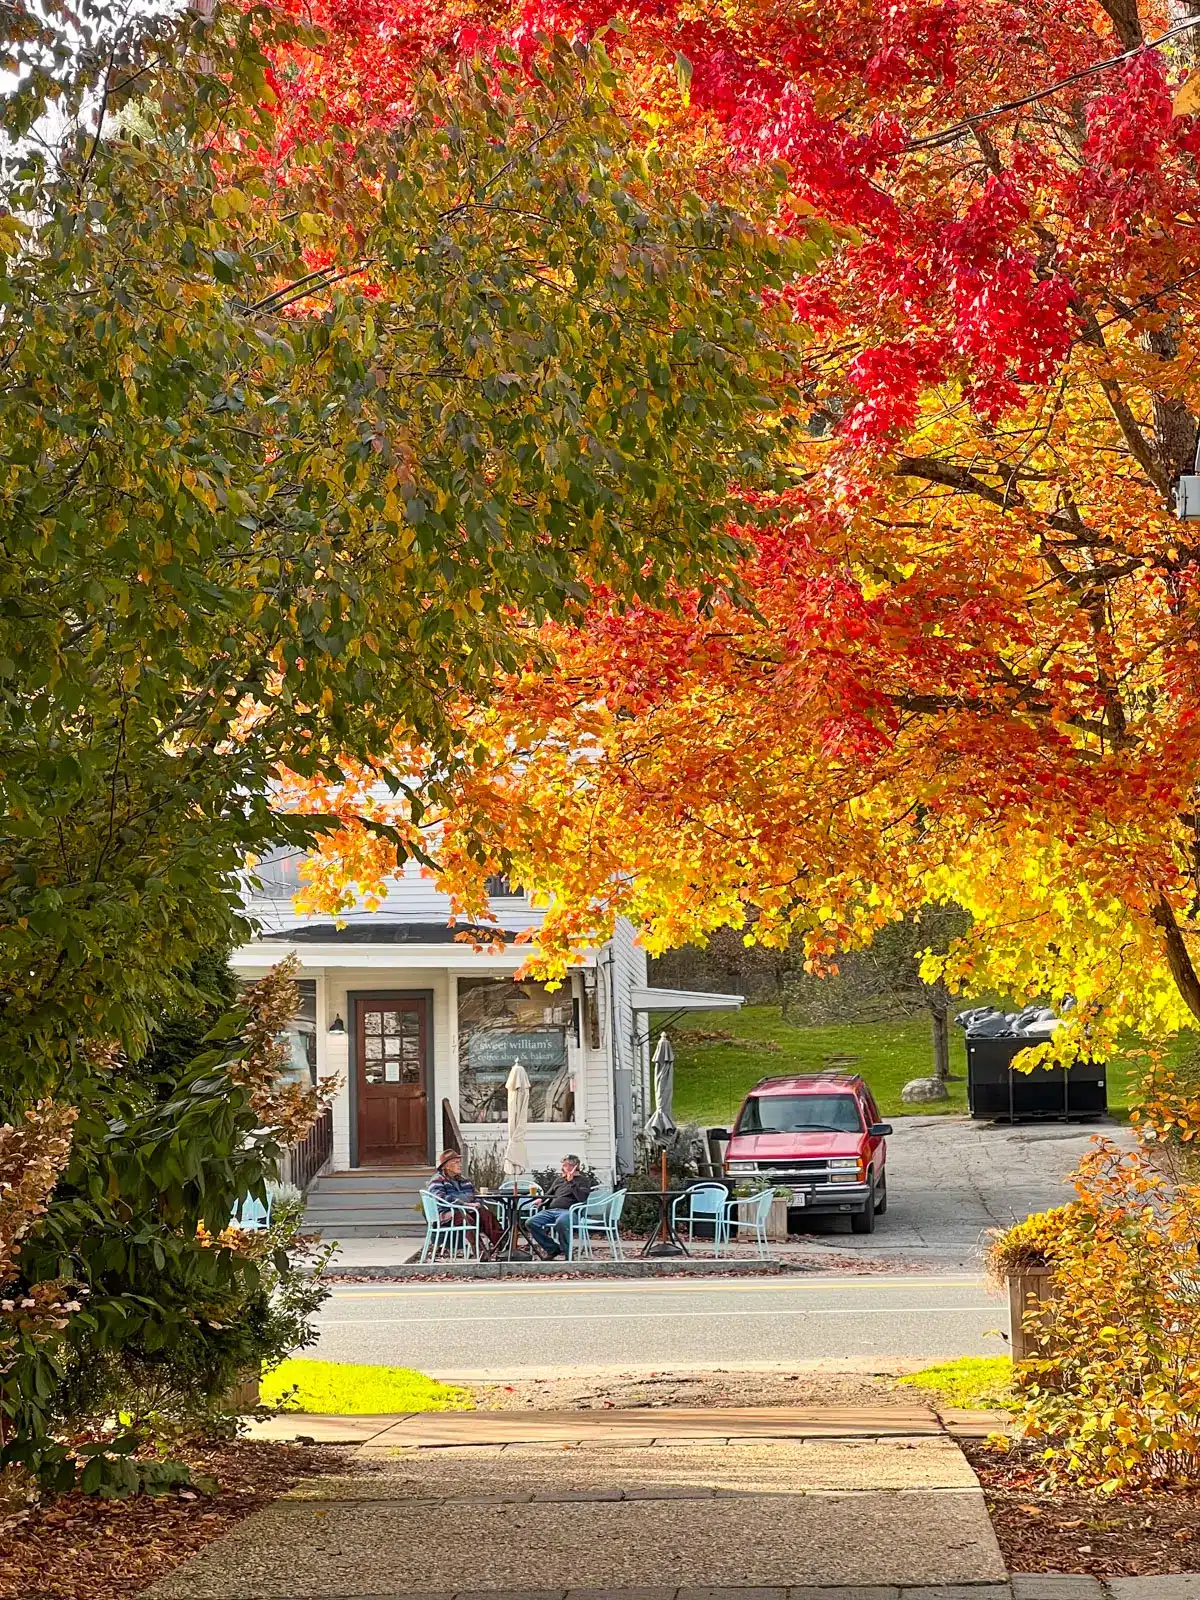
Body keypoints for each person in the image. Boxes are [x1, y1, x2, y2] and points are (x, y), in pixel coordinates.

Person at [427, 1150, 503, 1252]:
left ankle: (503, 1247)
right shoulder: (437, 1180)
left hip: (467, 1210)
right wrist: (465, 1204)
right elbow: (441, 1198)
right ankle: (480, 1251)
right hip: (447, 1214)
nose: (460, 1165)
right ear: (446, 1166)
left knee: (486, 1215)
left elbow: (475, 1195)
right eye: (456, 1162)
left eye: (459, 1162)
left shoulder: (464, 1180)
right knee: (466, 1219)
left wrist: (476, 1204)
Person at [527, 1154, 591, 1260]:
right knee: (531, 1222)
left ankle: (568, 1254)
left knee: (561, 1222)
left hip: (570, 1212)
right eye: (565, 1165)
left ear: (576, 1166)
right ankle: (552, 1249)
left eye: (570, 1165)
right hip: (551, 1211)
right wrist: (541, 1199)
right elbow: (549, 1193)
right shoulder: (559, 1180)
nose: (567, 1167)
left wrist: (571, 1182)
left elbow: (582, 1198)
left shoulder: (583, 1181)